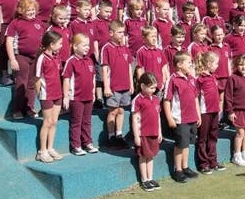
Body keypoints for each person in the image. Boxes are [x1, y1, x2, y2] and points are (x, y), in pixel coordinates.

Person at [163, 51, 201, 183]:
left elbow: (196, 98)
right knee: (180, 145)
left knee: (188, 144)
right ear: (179, 64)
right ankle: (177, 170)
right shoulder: (172, 80)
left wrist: (198, 114)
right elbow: (167, 100)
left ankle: (185, 167)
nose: (191, 65)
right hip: (180, 119)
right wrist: (169, 118)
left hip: (192, 118)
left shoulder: (191, 79)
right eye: (189, 62)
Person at [6, 0, 46, 119]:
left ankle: (29, 107)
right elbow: (9, 41)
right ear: (21, 11)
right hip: (21, 56)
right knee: (21, 82)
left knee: (32, 83)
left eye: (33, 10)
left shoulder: (39, 22)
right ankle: (17, 110)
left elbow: (44, 40)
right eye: (28, 10)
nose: (31, 12)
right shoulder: (15, 23)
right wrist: (12, 59)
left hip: (36, 57)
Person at [62, 33, 99, 156]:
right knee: (76, 121)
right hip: (76, 97)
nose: (87, 48)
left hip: (88, 96)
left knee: (87, 121)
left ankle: (87, 142)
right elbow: (66, 79)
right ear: (75, 46)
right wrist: (66, 96)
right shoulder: (71, 61)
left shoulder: (89, 60)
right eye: (84, 45)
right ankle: (76, 145)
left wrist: (93, 93)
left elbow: (93, 77)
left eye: (88, 45)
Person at [100, 20, 134, 148]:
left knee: (121, 111)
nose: (122, 35)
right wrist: (106, 86)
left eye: (123, 32)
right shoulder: (107, 48)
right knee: (113, 111)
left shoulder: (125, 48)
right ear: (111, 33)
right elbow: (105, 68)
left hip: (125, 85)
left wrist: (131, 83)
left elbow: (129, 66)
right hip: (113, 86)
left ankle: (119, 135)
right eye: (119, 32)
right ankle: (111, 136)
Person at [34, 31, 64, 163]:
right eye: (60, 43)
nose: (62, 46)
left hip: (58, 94)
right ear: (51, 44)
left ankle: (50, 147)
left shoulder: (56, 57)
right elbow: (37, 78)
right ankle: (42, 151)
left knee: (54, 122)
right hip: (47, 95)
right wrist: (39, 94)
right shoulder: (42, 58)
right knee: (47, 122)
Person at [132, 72, 163, 191]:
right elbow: (135, 119)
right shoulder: (138, 100)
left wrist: (159, 132)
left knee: (151, 156)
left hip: (154, 132)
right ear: (143, 86)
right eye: (151, 88)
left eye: (155, 87)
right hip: (143, 133)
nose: (154, 90)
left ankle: (150, 178)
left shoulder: (155, 99)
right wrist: (136, 136)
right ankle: (144, 180)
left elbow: (158, 117)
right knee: (143, 156)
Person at [195, 51, 224, 174]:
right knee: (203, 138)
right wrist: (198, 115)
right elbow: (195, 97)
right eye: (216, 63)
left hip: (214, 111)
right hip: (204, 112)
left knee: (213, 136)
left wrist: (219, 107)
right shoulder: (200, 78)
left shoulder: (213, 77)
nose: (217, 66)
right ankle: (203, 163)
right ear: (208, 63)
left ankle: (213, 160)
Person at [135, 26, 169, 94]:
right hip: (148, 86)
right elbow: (139, 70)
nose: (154, 39)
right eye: (151, 37)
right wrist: (143, 85)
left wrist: (166, 81)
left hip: (159, 86)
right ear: (144, 38)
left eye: (155, 36)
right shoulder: (141, 52)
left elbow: (164, 68)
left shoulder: (160, 51)